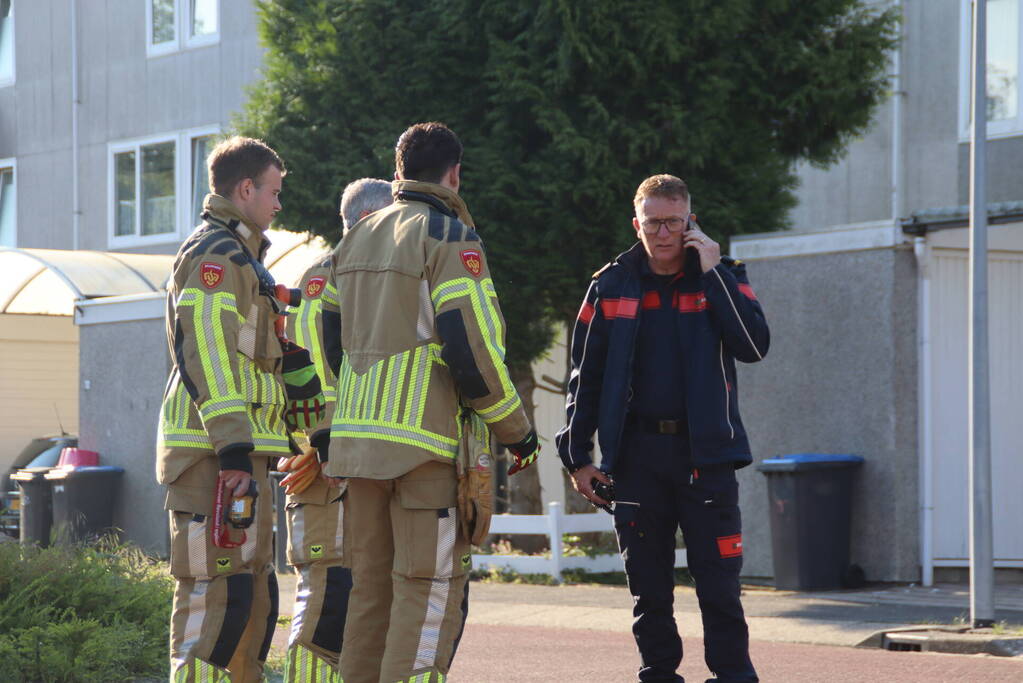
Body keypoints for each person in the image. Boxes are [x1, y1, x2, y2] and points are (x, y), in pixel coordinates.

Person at [320, 122, 540, 683]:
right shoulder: (447, 236)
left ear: (398, 172)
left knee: (370, 595)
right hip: (424, 452)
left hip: (358, 451)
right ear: (455, 173)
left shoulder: (355, 238)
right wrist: (517, 431)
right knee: (426, 598)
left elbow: (328, 330)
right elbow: (471, 347)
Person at [556, 174, 769, 683]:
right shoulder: (609, 285)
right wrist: (577, 457)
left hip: (708, 459)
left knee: (719, 588)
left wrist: (714, 272)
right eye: (653, 221)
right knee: (648, 592)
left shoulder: (723, 275)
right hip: (636, 460)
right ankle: (658, 674)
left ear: (690, 221)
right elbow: (583, 377)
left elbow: (754, 346)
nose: (664, 232)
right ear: (637, 223)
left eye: (674, 221)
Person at [157, 136, 290, 682]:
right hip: (214, 457)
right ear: (245, 188)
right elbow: (207, 354)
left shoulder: (242, 257)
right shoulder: (216, 253)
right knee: (214, 608)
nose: (279, 204)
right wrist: (235, 448)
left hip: (237, 458)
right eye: (274, 192)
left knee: (248, 606)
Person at [279, 177, 393, 681]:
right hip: (327, 470)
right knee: (329, 609)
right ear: (372, 220)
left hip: (344, 468)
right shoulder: (337, 281)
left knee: (351, 609)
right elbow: (310, 386)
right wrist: (328, 450)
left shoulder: (337, 279)